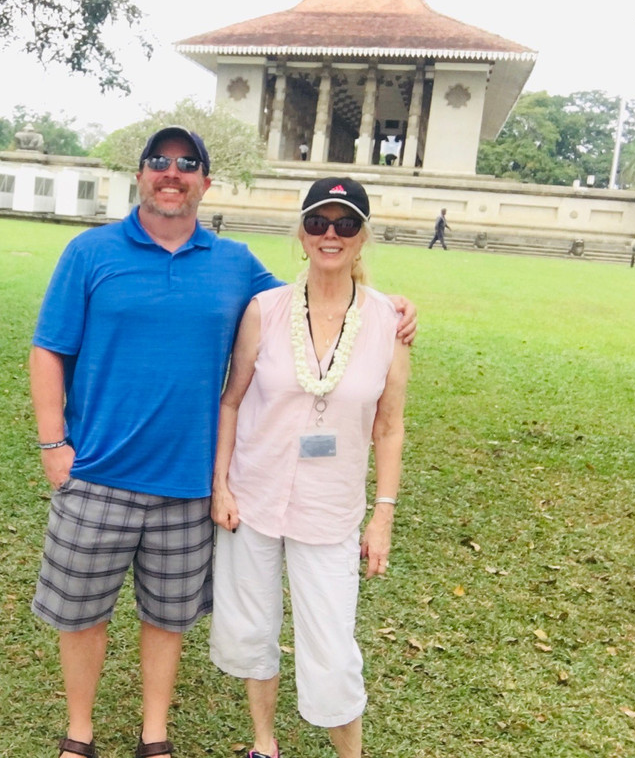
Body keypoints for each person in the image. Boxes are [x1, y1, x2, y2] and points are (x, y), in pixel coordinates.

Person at [29, 127, 416, 758]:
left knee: (167, 617)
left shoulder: (235, 265)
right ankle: (80, 734)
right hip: (98, 470)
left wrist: (394, 307)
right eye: (160, 161)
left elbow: (318, 293)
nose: (172, 173)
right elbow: (49, 349)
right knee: (82, 614)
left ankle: (154, 735)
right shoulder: (90, 251)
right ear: (141, 174)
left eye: (188, 164)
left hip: (188, 484)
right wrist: (53, 445)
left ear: (206, 182)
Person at [209, 177, 410, 758]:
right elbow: (231, 399)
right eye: (318, 223)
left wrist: (383, 518)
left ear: (362, 238)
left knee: (331, 642)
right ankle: (264, 743)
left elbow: (390, 427)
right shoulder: (265, 310)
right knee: (252, 626)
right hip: (253, 494)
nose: (331, 234)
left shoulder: (388, 322)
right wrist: (220, 484)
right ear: (300, 234)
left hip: (331, 508)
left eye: (345, 224)